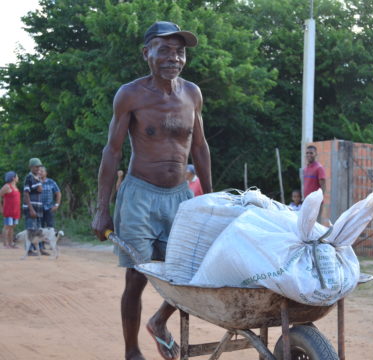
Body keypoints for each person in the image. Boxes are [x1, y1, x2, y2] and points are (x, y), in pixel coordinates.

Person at [91, 21, 212, 360]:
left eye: (180, 51)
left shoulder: (192, 93)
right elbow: (112, 152)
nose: (173, 57)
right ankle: (132, 351)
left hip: (180, 197)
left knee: (187, 271)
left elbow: (200, 148)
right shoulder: (130, 94)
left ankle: (159, 321)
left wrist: (211, 199)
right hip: (140, 196)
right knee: (137, 277)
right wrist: (102, 207)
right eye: (165, 49)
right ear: (147, 53)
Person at [23, 158, 49, 256]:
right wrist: (31, 209)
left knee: (38, 230)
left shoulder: (37, 178)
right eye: (36, 166)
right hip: (32, 208)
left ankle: (40, 249)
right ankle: (29, 250)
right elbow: (26, 194)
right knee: (31, 229)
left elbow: (40, 189)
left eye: (39, 166)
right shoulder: (29, 178)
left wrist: (39, 180)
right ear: (31, 167)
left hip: (38, 208)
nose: (38, 168)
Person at [0, 171, 21, 248]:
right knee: (7, 226)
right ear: (13, 178)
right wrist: (1, 208)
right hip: (8, 210)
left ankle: (11, 243)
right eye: (17, 176)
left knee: (12, 226)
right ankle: (5, 244)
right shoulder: (7, 186)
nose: (18, 178)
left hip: (15, 211)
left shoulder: (15, 187)